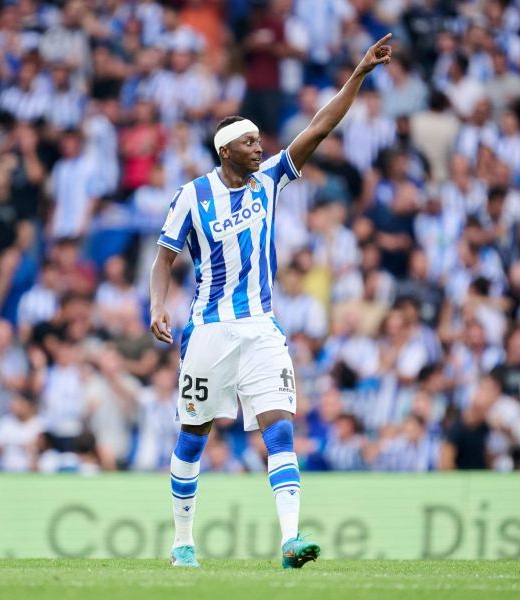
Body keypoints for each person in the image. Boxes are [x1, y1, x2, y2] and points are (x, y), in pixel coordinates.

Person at [149, 34, 393, 569]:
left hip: (260, 328)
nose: (261, 147)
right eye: (251, 142)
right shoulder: (192, 196)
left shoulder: (270, 182)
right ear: (226, 151)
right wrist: (156, 306)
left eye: (261, 140)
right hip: (209, 331)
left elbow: (321, 127)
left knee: (279, 426)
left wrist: (358, 72)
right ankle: (182, 541)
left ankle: (290, 540)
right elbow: (165, 257)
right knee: (192, 437)